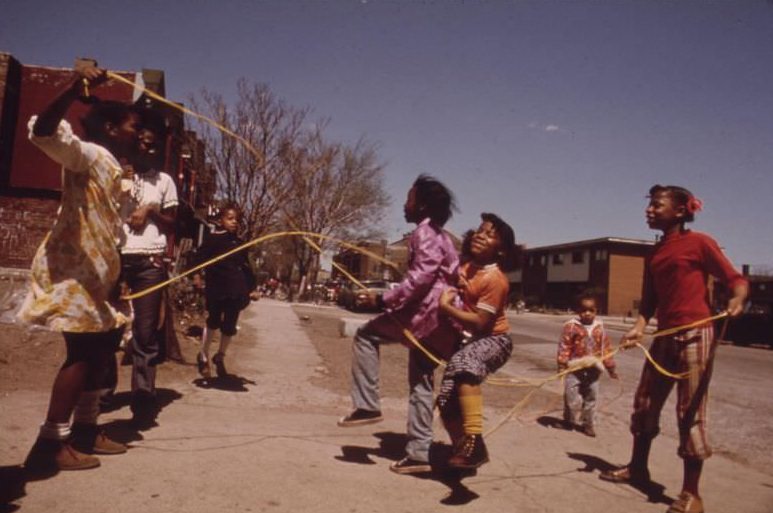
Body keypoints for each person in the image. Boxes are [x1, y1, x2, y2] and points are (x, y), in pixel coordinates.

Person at [19, 66, 140, 474]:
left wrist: (116, 277)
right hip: (74, 272)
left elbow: (111, 231)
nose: (139, 134)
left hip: (100, 276)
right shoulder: (86, 155)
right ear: (108, 127)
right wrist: (73, 88)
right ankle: (51, 442)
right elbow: (45, 132)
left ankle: (86, 430)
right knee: (82, 353)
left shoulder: (113, 167)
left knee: (103, 349)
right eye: (132, 126)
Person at [600, 185, 748, 513]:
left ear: (680, 211)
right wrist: (639, 328)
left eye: (656, 205)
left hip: (697, 334)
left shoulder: (700, 243)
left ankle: (691, 494)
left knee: (690, 411)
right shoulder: (653, 254)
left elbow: (735, 279)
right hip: (665, 335)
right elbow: (649, 301)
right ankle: (638, 468)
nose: (649, 210)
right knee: (644, 403)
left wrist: (737, 299)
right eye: (649, 205)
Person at [337, 174, 460, 475]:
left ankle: (367, 405)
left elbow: (421, 279)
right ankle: (419, 453)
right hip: (442, 319)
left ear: (422, 207)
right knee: (421, 382)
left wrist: (382, 300)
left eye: (409, 199)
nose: (405, 205)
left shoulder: (424, 233)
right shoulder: (444, 237)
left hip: (425, 314)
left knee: (366, 336)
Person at [436, 213, 517, 469]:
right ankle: (462, 453)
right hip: (470, 342)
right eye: (480, 230)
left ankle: (475, 444)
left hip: (495, 340)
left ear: (501, 251)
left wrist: (445, 308)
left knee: (465, 364)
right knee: (447, 402)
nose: (481, 236)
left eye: (490, 235)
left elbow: (481, 323)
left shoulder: (495, 279)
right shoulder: (466, 266)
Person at [118, 109, 178, 428]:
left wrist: (152, 210)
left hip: (150, 261)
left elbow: (173, 224)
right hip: (116, 255)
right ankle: (98, 395)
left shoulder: (165, 181)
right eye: (143, 142)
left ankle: (143, 397)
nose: (147, 149)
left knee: (144, 332)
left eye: (154, 146)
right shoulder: (118, 172)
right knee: (107, 327)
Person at [192, 204, 259, 378]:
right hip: (217, 287)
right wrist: (197, 276)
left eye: (236, 219)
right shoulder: (213, 239)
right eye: (230, 218)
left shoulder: (239, 243)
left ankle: (220, 356)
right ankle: (204, 355)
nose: (234, 222)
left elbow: (245, 268)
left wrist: (252, 288)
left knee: (230, 324)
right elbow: (198, 258)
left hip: (236, 290)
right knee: (213, 320)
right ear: (221, 220)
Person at [557, 294, 618, 438]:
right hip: (575, 368)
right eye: (584, 310)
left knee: (591, 397)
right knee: (571, 397)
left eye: (591, 310)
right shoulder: (571, 327)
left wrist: (610, 368)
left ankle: (588, 424)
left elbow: (606, 349)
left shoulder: (600, 328)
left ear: (596, 311)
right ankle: (569, 420)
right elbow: (564, 346)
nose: (587, 313)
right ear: (578, 311)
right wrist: (561, 364)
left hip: (593, 369)